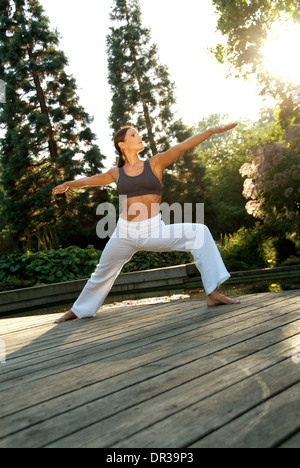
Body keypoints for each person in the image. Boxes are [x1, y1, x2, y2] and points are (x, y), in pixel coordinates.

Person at [53, 124, 240, 322]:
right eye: (133, 135)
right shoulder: (116, 173)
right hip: (124, 233)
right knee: (102, 272)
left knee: (200, 232)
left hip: (153, 229)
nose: (139, 136)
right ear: (122, 144)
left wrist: (209, 130)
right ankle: (78, 310)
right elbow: (88, 180)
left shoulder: (155, 163)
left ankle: (213, 293)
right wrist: (67, 184)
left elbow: (182, 147)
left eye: (138, 133)